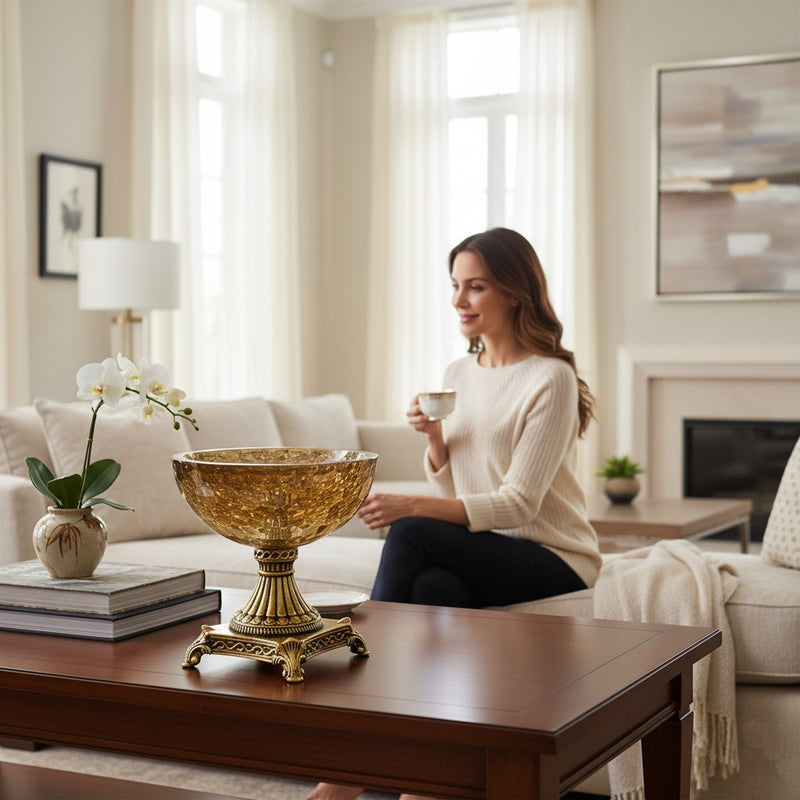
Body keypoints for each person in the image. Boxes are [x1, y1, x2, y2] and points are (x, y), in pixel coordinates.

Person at [306, 227, 601, 800]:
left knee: (412, 532)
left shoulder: (551, 378)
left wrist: (411, 506)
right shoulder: (458, 374)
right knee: (435, 589)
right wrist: (436, 440)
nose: (459, 300)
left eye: (476, 287)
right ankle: (433, 781)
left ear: (515, 292)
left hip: (554, 555)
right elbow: (455, 484)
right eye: (455, 285)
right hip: (490, 548)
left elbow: (519, 504)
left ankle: (348, 764)